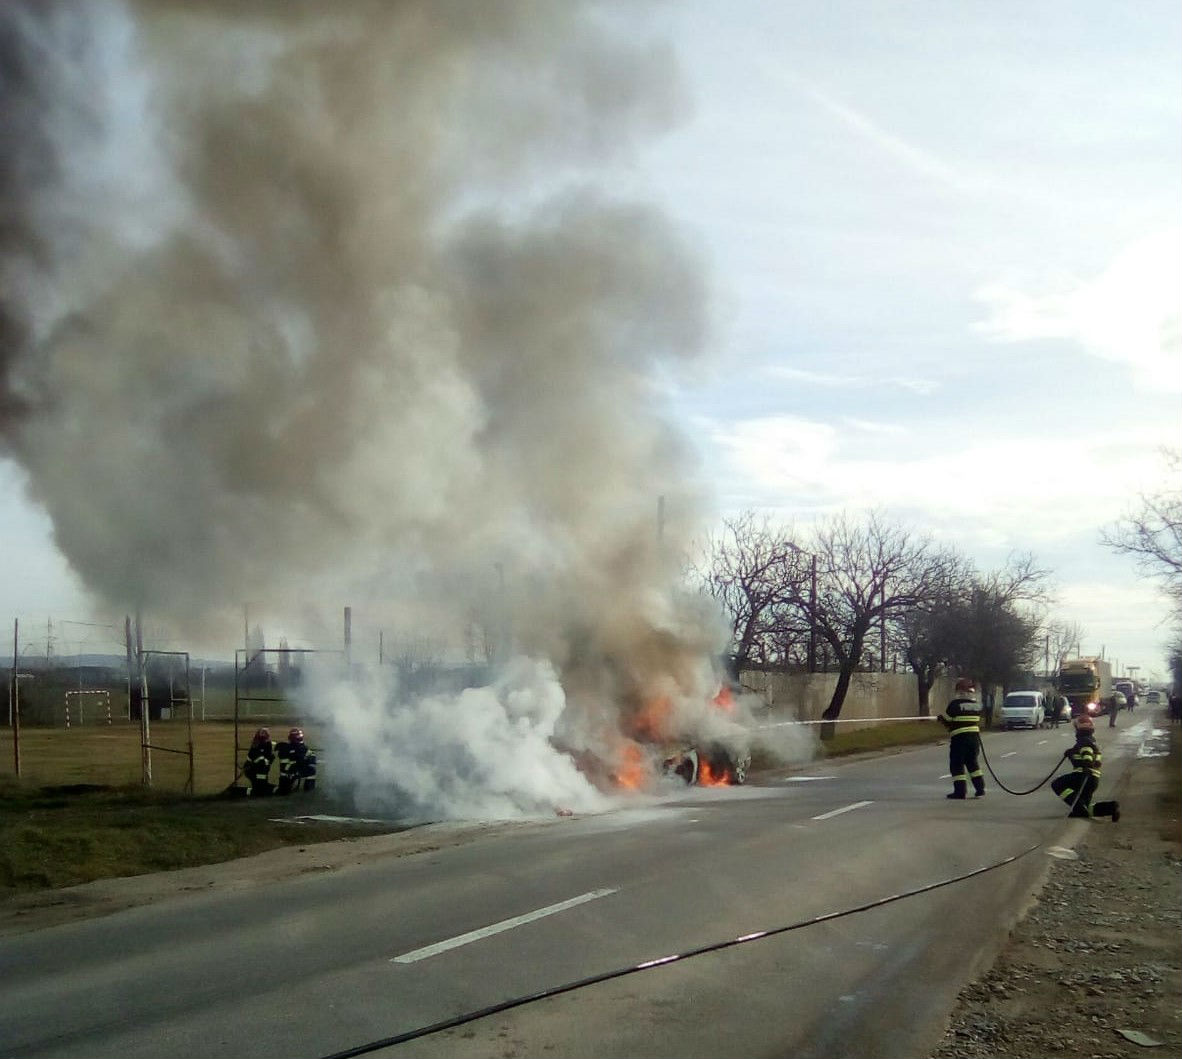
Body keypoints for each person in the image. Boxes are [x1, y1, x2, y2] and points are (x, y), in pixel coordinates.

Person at [1051, 714, 1120, 821]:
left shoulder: (1083, 741)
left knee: (1057, 784)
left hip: (1083, 776)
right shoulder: (1091, 741)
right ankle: (1110, 808)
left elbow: (1087, 752)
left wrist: (1087, 763)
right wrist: (1071, 753)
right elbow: (1089, 753)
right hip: (1093, 779)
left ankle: (1078, 808)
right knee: (1085, 808)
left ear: (1078, 729)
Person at [939, 676, 985, 799]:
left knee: (957, 765)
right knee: (973, 764)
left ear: (959, 691)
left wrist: (942, 720)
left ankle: (960, 791)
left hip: (959, 739)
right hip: (974, 739)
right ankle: (980, 788)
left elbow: (951, 722)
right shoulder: (977, 706)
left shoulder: (955, 705)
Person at [276, 727, 317, 794]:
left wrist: (307, 760)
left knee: (311, 769)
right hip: (288, 773)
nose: (300, 740)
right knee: (284, 791)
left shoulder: (303, 748)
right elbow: (284, 765)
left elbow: (312, 756)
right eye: (298, 738)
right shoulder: (285, 749)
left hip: (296, 769)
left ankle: (309, 787)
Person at [242, 727, 275, 796]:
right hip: (251, 769)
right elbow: (260, 761)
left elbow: (269, 758)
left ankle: (275, 789)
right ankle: (240, 791)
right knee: (259, 791)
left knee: (263, 788)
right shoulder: (255, 746)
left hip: (261, 770)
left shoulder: (268, 745)